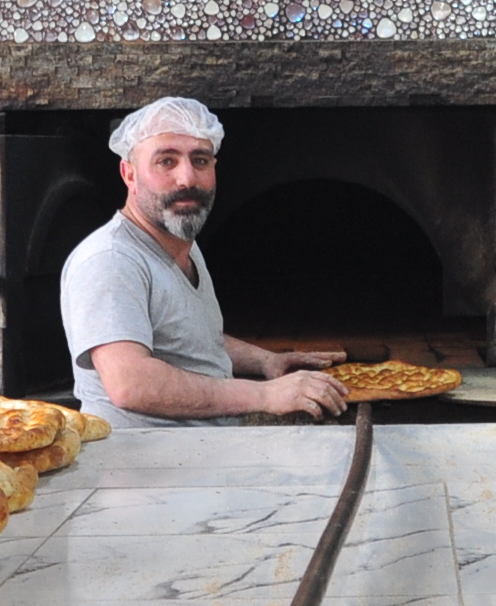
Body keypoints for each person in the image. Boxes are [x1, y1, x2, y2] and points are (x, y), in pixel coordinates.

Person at [60, 96, 350, 428]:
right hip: (144, 467)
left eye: (200, 160)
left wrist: (267, 362)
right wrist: (265, 396)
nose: (187, 179)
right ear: (129, 174)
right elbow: (130, 383)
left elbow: (185, 337)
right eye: (166, 161)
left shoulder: (181, 245)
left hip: (195, 455)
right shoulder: (110, 260)